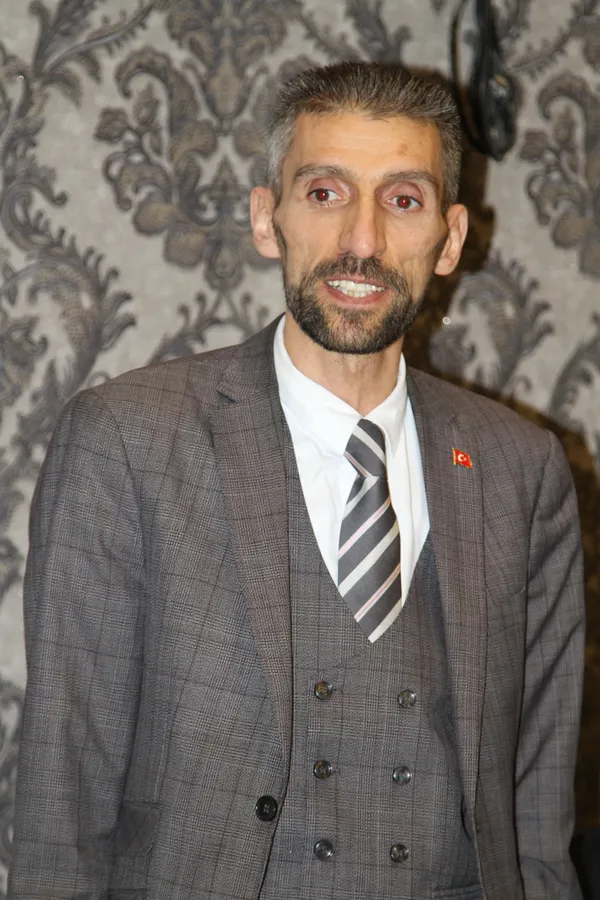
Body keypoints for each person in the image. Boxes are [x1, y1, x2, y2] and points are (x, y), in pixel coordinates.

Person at [8, 62, 584, 900]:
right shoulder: (126, 442)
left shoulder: (521, 471)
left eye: (403, 200)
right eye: (324, 193)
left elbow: (537, 827)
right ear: (266, 218)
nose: (362, 241)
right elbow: (63, 804)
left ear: (451, 238)